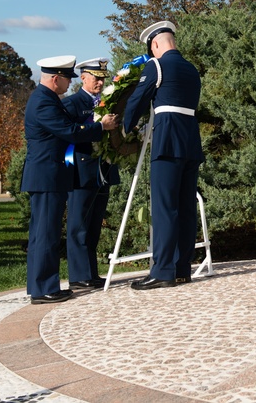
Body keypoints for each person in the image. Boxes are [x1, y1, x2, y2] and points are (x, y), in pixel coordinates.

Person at [22, 56, 119, 304]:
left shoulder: (47, 99)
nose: (68, 84)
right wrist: (101, 127)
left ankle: (41, 286)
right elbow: (69, 131)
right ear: (55, 78)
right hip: (47, 176)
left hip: (50, 175)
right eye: (67, 79)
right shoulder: (44, 101)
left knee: (45, 233)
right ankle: (43, 288)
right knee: (45, 234)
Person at [123, 21, 205, 290]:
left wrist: (126, 126)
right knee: (184, 207)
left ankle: (162, 271)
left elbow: (138, 98)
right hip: (190, 141)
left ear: (154, 45)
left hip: (167, 140)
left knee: (164, 207)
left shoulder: (156, 65)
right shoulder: (191, 69)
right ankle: (182, 269)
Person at [63, 57, 120, 290]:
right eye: (96, 78)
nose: (100, 82)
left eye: (103, 78)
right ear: (83, 78)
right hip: (81, 169)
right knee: (79, 224)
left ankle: (91, 273)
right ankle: (78, 276)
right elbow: (70, 134)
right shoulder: (73, 103)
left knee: (95, 222)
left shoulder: (107, 102)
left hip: (102, 169)